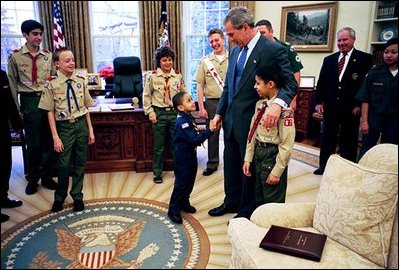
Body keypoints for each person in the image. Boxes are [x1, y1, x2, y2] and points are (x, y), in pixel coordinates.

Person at [208, 7, 298, 219]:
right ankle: (231, 201)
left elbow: (290, 84)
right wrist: (219, 113)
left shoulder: (272, 49)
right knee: (230, 165)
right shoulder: (237, 51)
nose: (229, 39)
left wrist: (277, 105)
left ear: (245, 27)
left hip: (254, 122)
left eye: (231, 34)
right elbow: (230, 87)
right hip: (230, 120)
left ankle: (246, 210)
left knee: (247, 168)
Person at [38, 47, 95, 212]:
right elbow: (49, 111)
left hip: (81, 126)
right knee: (63, 166)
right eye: (67, 60)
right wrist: (55, 137)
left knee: (80, 164)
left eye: (72, 59)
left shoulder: (80, 80)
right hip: (64, 128)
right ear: (57, 64)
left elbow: (86, 108)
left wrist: (90, 130)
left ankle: (77, 196)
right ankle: (60, 197)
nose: (72, 63)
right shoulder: (51, 84)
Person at [7, 19, 57, 195]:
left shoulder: (48, 56)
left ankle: (47, 176)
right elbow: (12, 84)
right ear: (25, 35)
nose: (39, 37)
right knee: (34, 144)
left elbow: (54, 81)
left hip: (47, 100)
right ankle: (33, 178)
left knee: (49, 141)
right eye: (35, 34)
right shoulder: (15, 57)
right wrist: (16, 108)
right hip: (28, 101)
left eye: (40, 34)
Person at [314, 27, 373, 175]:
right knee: (327, 137)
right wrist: (318, 102)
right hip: (331, 107)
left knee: (349, 139)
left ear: (353, 40)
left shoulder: (365, 59)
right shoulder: (329, 60)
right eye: (339, 40)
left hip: (351, 108)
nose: (341, 43)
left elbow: (366, 85)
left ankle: (348, 170)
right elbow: (321, 82)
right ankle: (324, 167)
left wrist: (359, 104)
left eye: (345, 39)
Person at [242, 65, 295, 207]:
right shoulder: (260, 104)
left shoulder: (284, 110)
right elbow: (252, 133)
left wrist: (277, 171)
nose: (255, 87)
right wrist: (248, 158)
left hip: (273, 155)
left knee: (273, 199)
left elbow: (287, 144)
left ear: (270, 84)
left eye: (258, 83)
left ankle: (272, 229)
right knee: (259, 197)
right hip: (259, 152)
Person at [168, 92, 217, 224]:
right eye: (188, 100)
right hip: (182, 157)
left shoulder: (188, 117)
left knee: (190, 181)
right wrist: (210, 130)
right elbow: (194, 139)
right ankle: (173, 210)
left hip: (190, 154)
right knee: (181, 183)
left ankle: (184, 202)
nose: (192, 102)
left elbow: (194, 131)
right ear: (180, 108)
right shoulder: (181, 122)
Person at [143, 46, 186, 184]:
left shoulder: (178, 76)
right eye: (164, 60)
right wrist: (150, 113)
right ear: (159, 62)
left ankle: (179, 171)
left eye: (169, 60)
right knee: (159, 146)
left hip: (174, 114)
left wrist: (183, 112)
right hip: (159, 114)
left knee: (177, 145)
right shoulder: (153, 77)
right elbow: (146, 96)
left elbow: (183, 95)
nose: (167, 63)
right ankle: (157, 173)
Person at [355, 38, 398, 160]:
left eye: (393, 52)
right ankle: (361, 173)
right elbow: (365, 98)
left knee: (389, 151)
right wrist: (364, 122)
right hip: (374, 118)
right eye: (386, 52)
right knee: (367, 148)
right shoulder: (375, 72)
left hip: (394, 120)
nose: (388, 55)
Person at [195, 28, 229, 176]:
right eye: (211, 42)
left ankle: (230, 162)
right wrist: (201, 107)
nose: (214, 43)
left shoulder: (234, 58)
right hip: (212, 102)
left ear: (223, 39)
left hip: (229, 102)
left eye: (217, 40)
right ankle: (212, 163)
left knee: (230, 134)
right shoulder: (205, 61)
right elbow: (200, 85)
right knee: (212, 134)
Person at [255, 19, 303, 109]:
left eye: (263, 33)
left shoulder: (285, 48)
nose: (260, 37)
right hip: (263, 97)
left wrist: (293, 99)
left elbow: (296, 73)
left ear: (271, 32)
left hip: (282, 95)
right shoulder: (257, 50)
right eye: (258, 34)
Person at [1, 70, 23, 222]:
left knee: (4, 164)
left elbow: (8, 100)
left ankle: (3, 197)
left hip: (2, 128)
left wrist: (16, 123)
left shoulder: (1, 75)